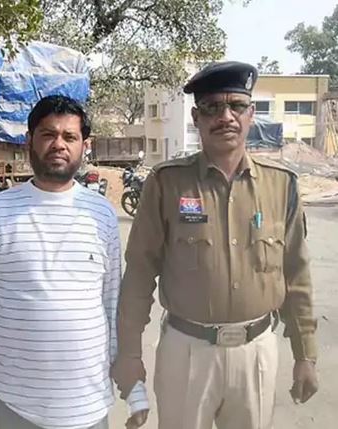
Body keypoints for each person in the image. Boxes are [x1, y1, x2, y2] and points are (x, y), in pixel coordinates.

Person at [111, 61, 318, 429]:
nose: (225, 117)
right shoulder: (166, 183)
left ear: (251, 115)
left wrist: (306, 354)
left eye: (236, 106)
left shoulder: (281, 185)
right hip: (187, 353)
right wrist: (129, 354)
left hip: (256, 352)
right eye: (212, 107)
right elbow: (139, 274)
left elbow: (296, 275)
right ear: (196, 117)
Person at [0, 95, 149, 429]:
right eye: (48, 134)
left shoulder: (102, 215)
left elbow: (112, 304)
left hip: (87, 409)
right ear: (30, 140)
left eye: (69, 137)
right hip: (14, 405)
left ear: (85, 145)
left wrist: (134, 390)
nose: (59, 144)